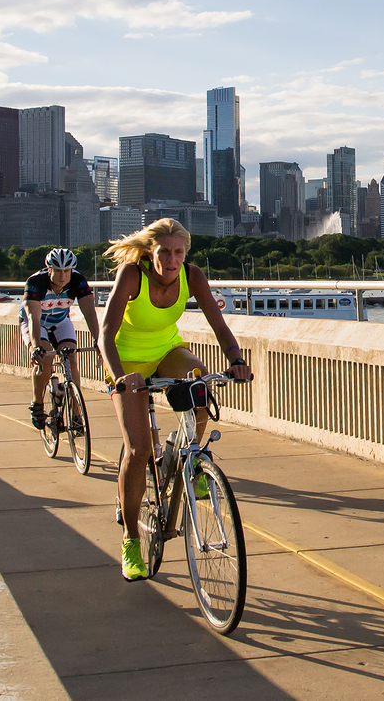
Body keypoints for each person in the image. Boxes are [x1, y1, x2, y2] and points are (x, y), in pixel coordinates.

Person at [99, 218, 252, 581]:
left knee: (200, 379)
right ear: (151, 251)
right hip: (127, 362)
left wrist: (237, 361)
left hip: (167, 351)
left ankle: (189, 455)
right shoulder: (132, 276)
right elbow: (106, 331)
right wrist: (119, 377)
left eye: (178, 252)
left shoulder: (192, 276)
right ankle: (131, 542)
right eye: (165, 251)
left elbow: (219, 325)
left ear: (186, 253)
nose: (172, 259)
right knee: (137, 451)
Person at [20, 247, 100, 431]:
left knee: (72, 358)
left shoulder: (78, 281)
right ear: (49, 270)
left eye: (67, 271)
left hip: (60, 320)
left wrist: (98, 340)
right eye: (58, 271)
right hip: (37, 323)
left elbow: (89, 311)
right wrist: (36, 347)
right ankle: (37, 404)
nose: (63, 276)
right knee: (45, 358)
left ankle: (76, 413)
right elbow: (33, 318)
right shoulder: (35, 282)